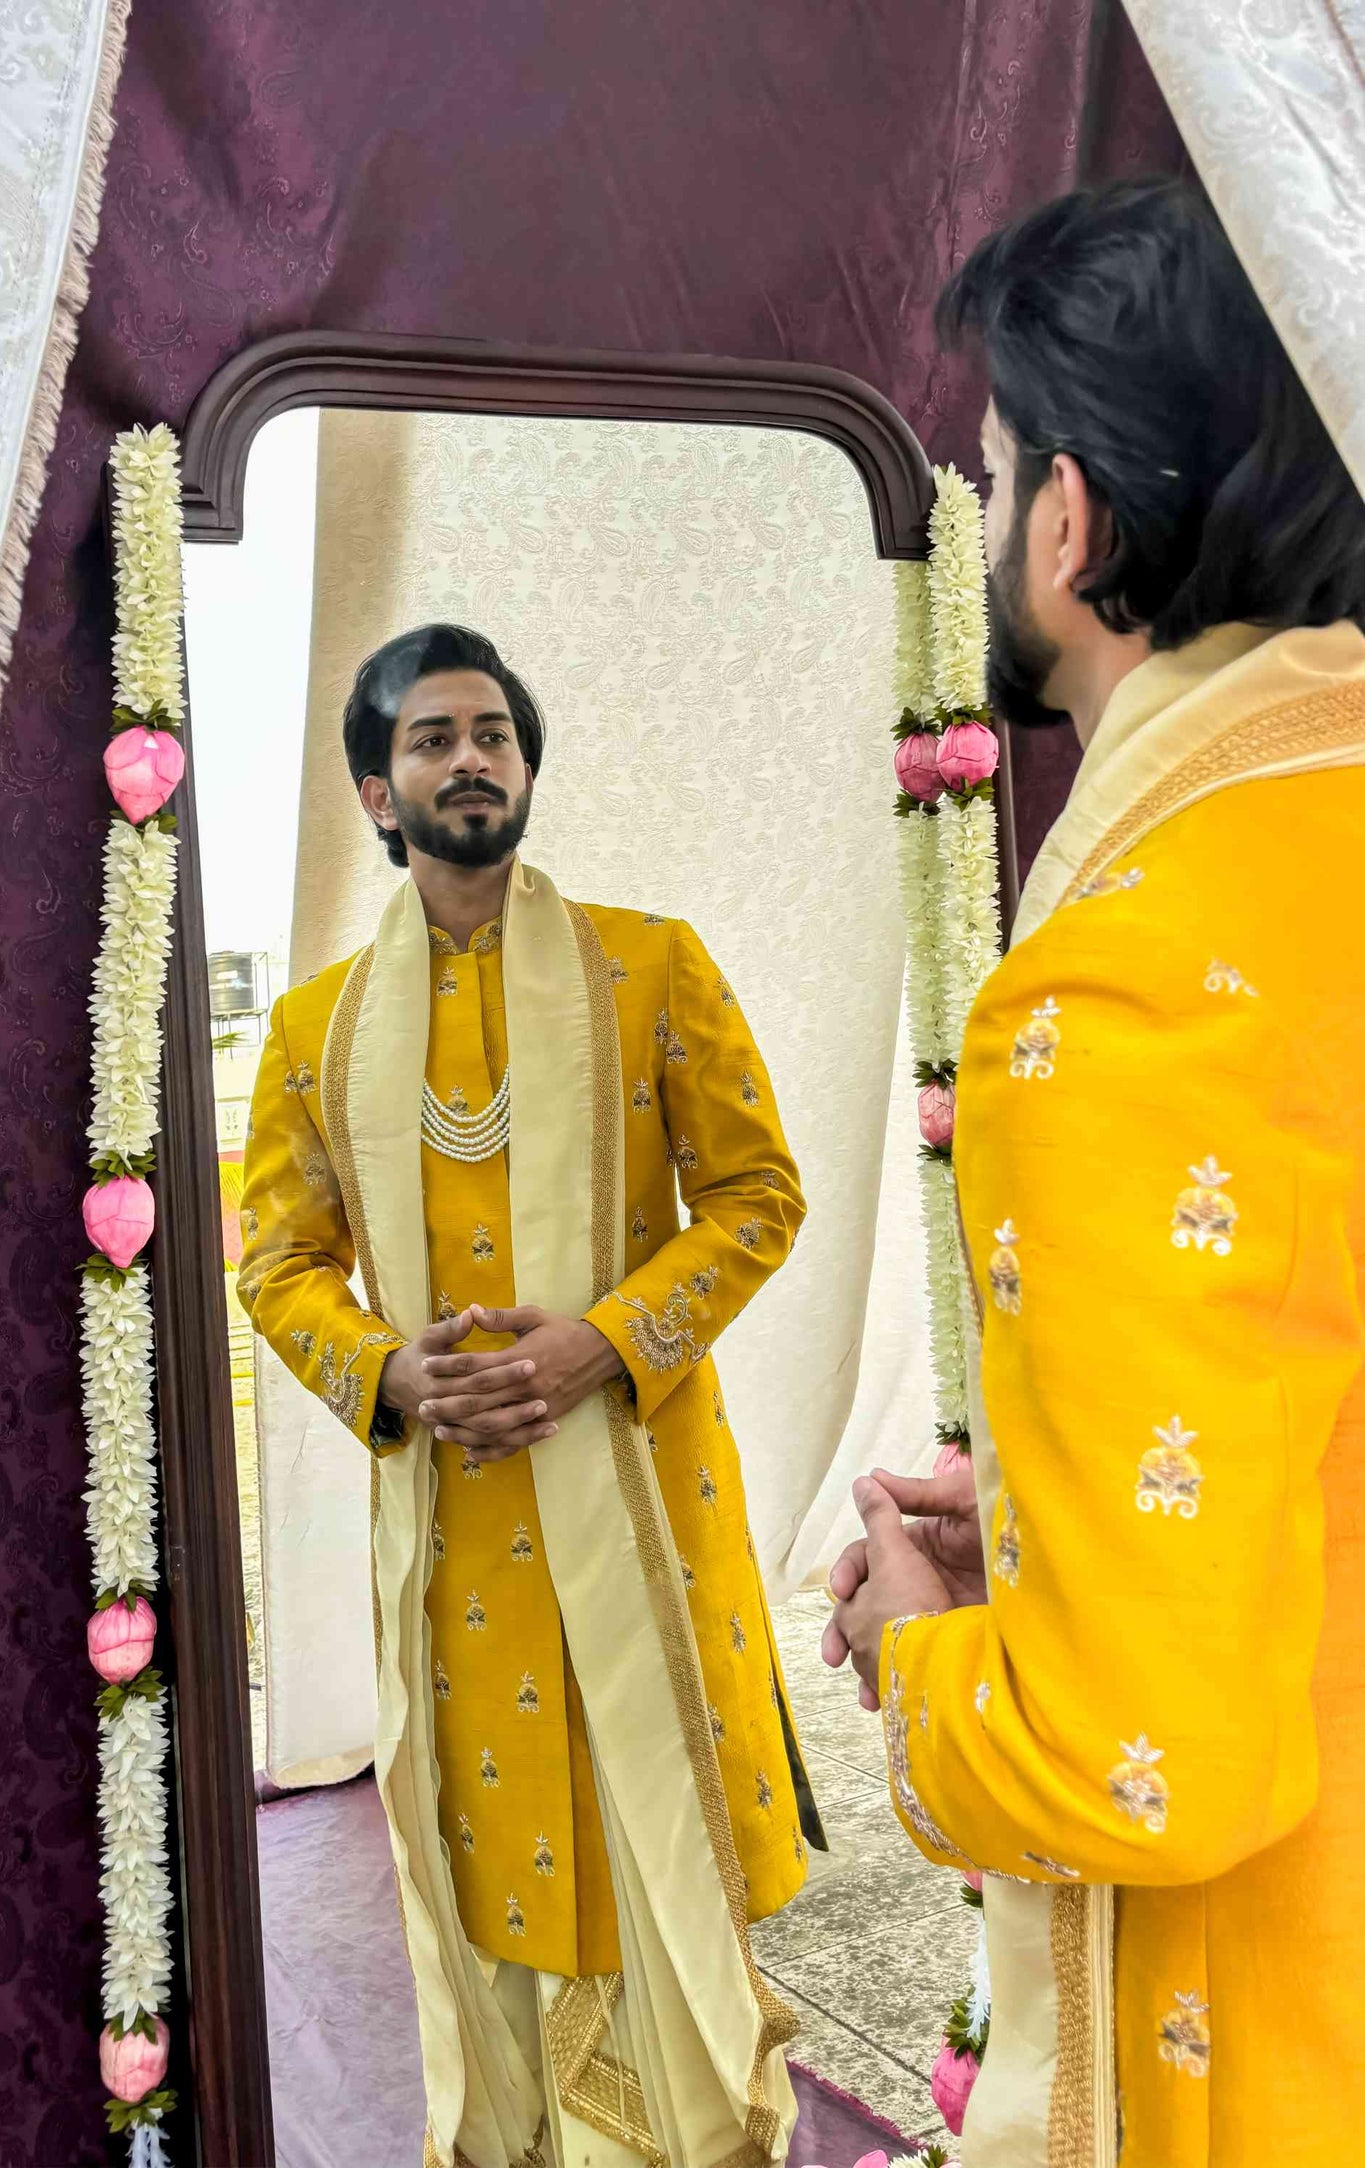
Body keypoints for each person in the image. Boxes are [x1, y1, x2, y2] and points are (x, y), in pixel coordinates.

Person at [824, 180, 1365, 2165]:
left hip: (1284, 2031)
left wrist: (917, 1651)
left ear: (1070, 524)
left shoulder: (1121, 992)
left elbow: (1149, 1758)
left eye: (987, 476)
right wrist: (1058, 1519)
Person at [239, 622, 816, 2167]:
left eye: (492, 732)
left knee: (662, 1810)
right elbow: (279, 1263)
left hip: (636, 1479)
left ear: (527, 764)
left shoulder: (654, 964)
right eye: (431, 739)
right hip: (459, 1514)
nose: (469, 758)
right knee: (502, 1841)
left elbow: (757, 1196)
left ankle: (700, 2132)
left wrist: (605, 1340)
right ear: (378, 791)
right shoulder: (313, 1035)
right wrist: (383, 1367)